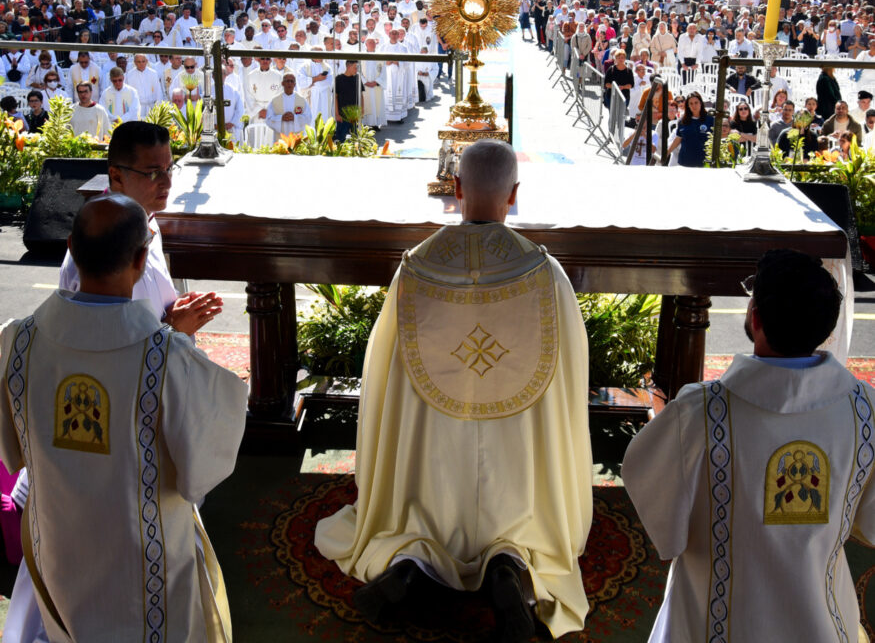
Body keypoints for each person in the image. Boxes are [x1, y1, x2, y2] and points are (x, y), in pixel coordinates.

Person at [315, 139, 593, 642]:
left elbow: (387, 370)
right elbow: (567, 377)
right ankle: (510, 561)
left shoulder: (418, 267)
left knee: (423, 515)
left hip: (435, 445)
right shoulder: (543, 271)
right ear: (514, 195)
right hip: (516, 444)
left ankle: (411, 559)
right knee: (515, 518)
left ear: (457, 187)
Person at [0, 194, 248, 642]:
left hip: (59, 541)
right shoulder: (168, 357)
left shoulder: (17, 343)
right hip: (142, 557)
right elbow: (202, 469)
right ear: (140, 258)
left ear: (71, 247)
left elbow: (13, 451)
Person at [622, 249, 875, 643]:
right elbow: (871, 523)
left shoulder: (699, 412)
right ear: (824, 328)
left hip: (715, 621)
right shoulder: (865, 409)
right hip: (820, 620)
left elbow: (656, 499)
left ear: (755, 318)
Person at [59, 121, 223, 333]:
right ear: (117, 176)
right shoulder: (97, 245)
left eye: (169, 169)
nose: (168, 183)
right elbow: (99, 345)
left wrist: (171, 309)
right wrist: (173, 329)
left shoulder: (147, 218)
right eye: (154, 173)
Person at [667, 91, 714, 167]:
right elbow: (678, 139)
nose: (694, 106)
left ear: (701, 103)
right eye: (691, 103)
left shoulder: (710, 120)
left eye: (696, 103)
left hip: (704, 163)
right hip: (685, 162)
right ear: (687, 105)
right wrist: (667, 153)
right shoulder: (682, 121)